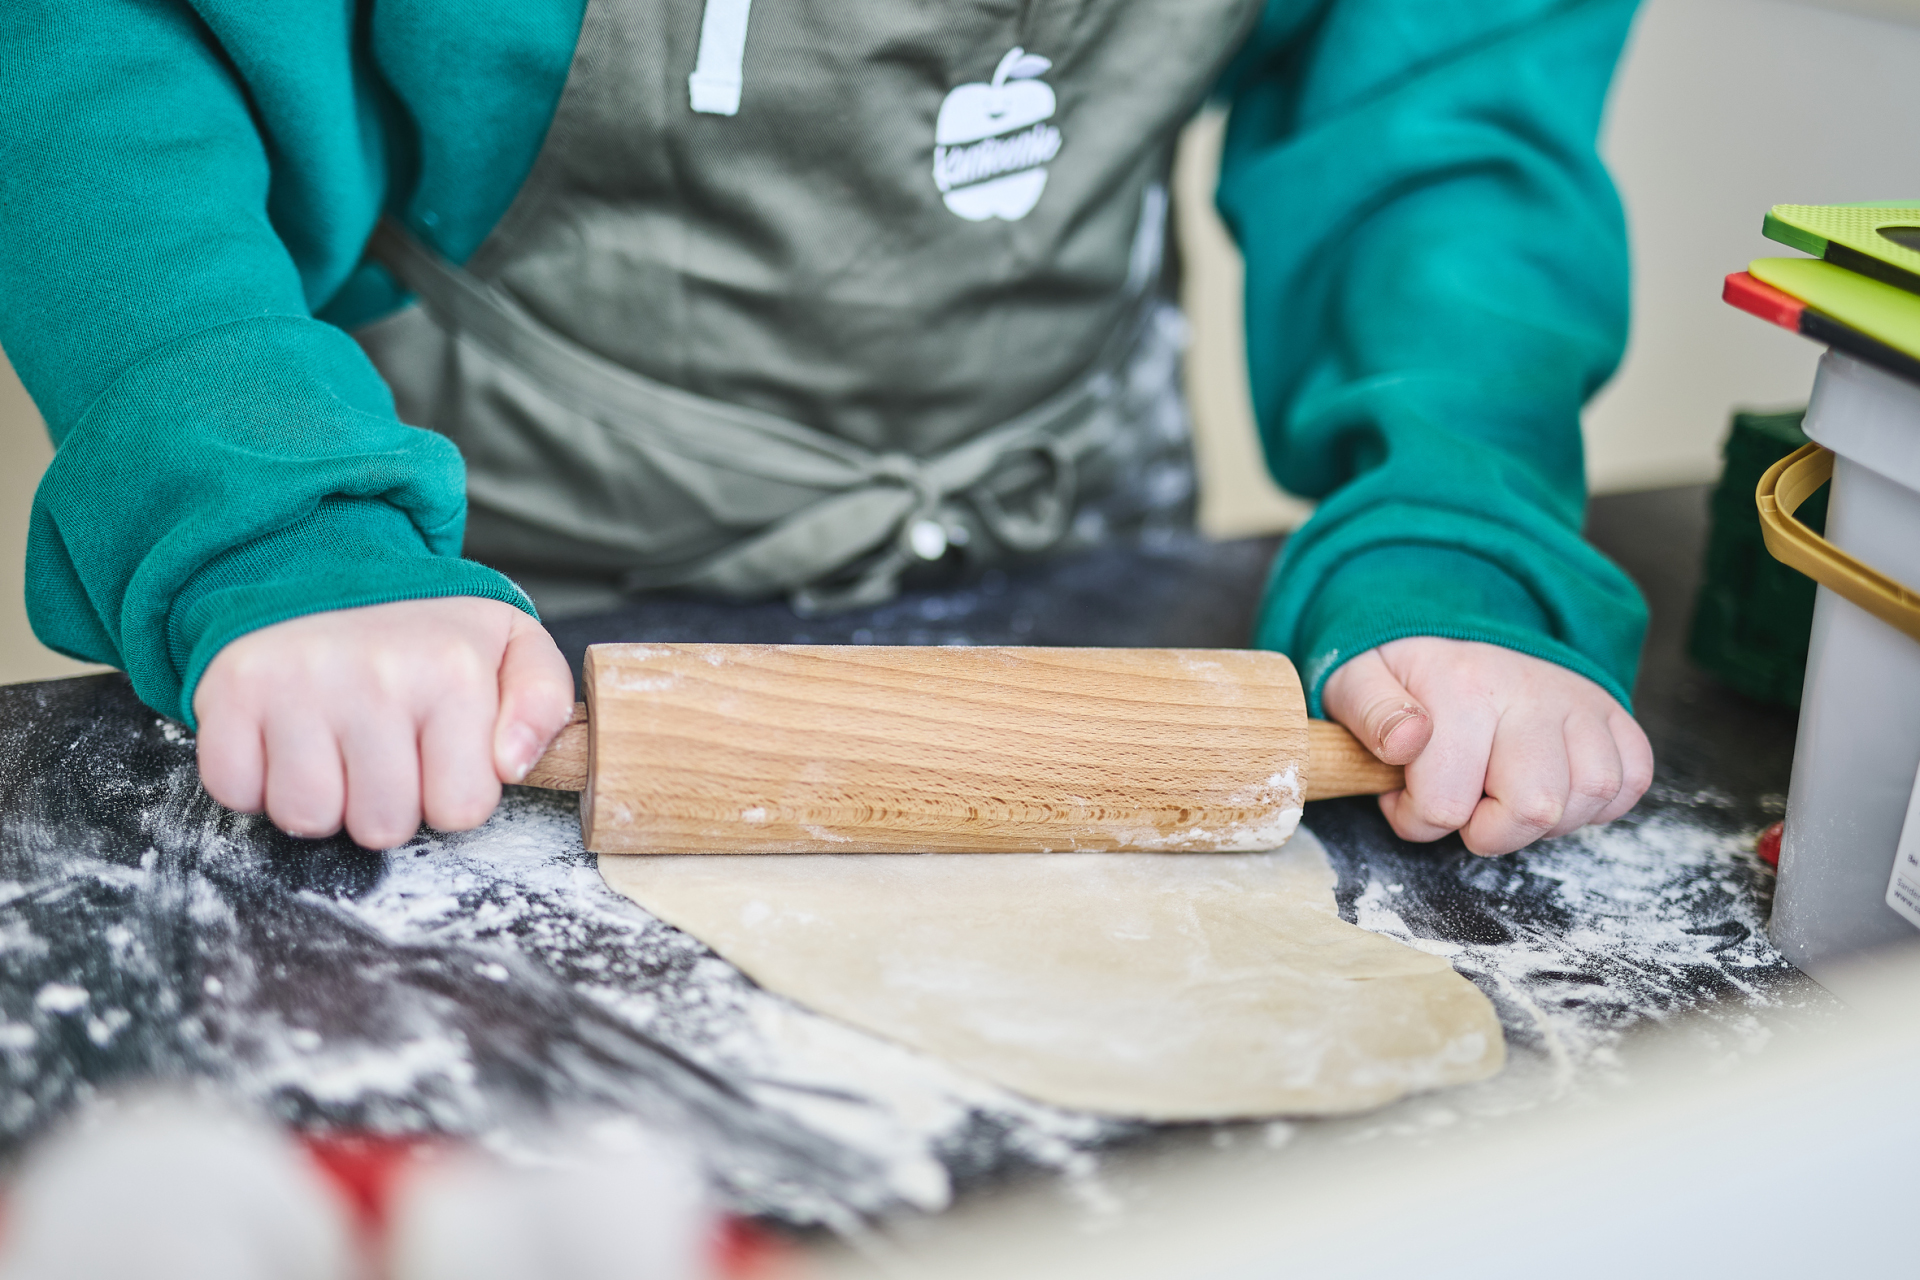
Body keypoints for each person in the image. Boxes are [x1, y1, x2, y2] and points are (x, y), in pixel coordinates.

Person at [0, 0, 1652, 858]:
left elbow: (1440, 138)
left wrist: (1457, 530)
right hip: (451, 607)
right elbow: (108, 43)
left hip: (1067, 542)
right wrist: (278, 515)